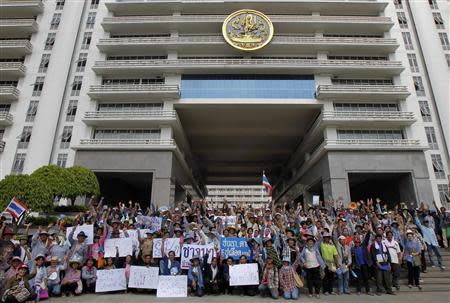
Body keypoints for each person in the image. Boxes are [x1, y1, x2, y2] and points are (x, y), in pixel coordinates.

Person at [350, 230, 374, 296]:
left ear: (360, 242)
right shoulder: (353, 249)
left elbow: (366, 239)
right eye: (356, 242)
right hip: (358, 266)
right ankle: (359, 290)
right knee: (359, 279)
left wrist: (369, 231)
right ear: (354, 243)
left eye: (358, 242)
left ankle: (368, 291)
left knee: (366, 278)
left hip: (365, 265)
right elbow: (352, 258)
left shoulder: (363, 246)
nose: (357, 243)